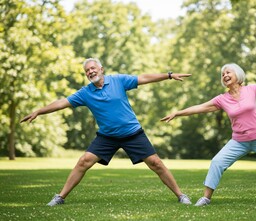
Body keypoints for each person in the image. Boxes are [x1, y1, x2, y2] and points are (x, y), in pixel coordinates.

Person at [21, 58, 192, 206]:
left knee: (156, 163)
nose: (90, 72)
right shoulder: (85, 93)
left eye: (93, 68)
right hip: (107, 137)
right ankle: (60, 197)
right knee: (84, 161)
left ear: (101, 69)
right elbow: (62, 102)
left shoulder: (118, 81)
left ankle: (181, 195)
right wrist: (38, 111)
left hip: (132, 133)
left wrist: (168, 75)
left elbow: (144, 78)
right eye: (87, 70)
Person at [161, 63, 256, 207]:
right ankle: (206, 198)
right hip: (239, 141)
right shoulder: (222, 99)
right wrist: (178, 113)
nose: (225, 75)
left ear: (238, 74)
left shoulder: (252, 90)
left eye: (228, 72)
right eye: (223, 74)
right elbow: (200, 107)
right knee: (217, 162)